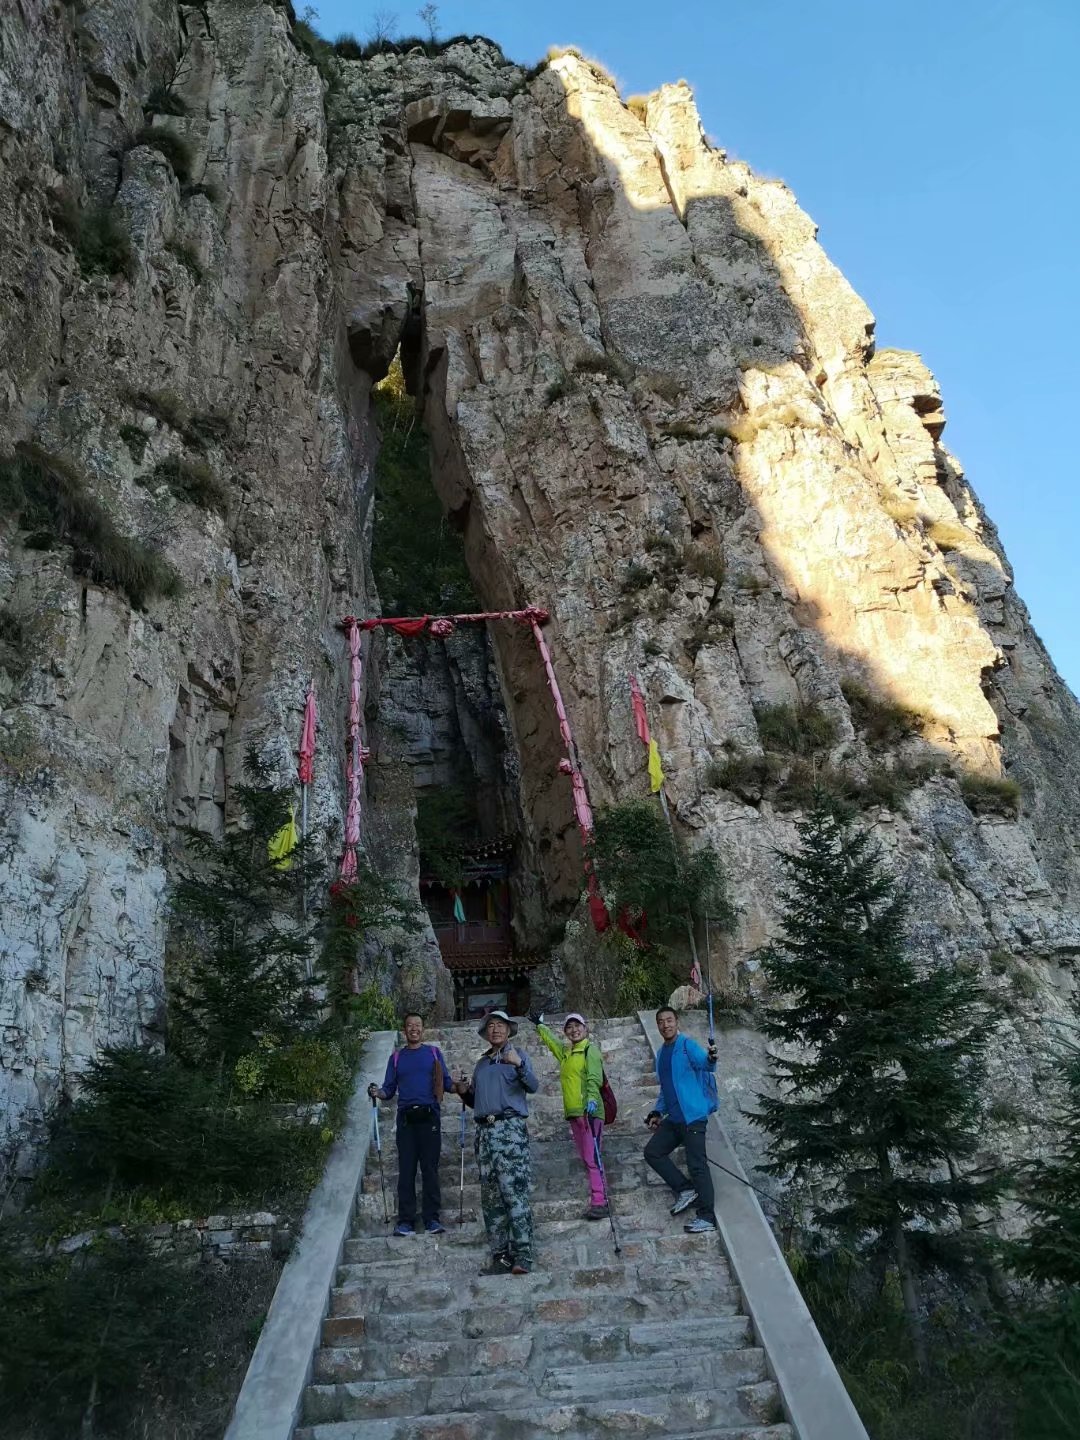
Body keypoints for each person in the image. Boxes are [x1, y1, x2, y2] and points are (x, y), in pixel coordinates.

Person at [455, 1009, 539, 1274]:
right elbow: (475, 1102)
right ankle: (500, 1256)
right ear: (485, 1032)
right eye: (491, 1025)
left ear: (509, 1029)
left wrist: (519, 1064)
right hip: (485, 1133)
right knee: (490, 1198)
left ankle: (523, 1254)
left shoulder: (518, 1055)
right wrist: (463, 1091)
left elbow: (534, 1086)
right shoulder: (481, 1064)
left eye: (500, 1025)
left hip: (510, 1130)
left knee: (514, 1191)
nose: (495, 1029)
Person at [368, 1012, 453, 1236]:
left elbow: (445, 1082)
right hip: (406, 1119)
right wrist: (378, 1093)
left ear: (423, 1029)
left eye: (417, 1025)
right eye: (409, 1025)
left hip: (430, 1116)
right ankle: (405, 1221)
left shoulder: (434, 1053)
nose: (414, 1028)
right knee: (406, 1170)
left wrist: (461, 1087)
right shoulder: (396, 1058)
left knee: (430, 1170)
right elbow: (389, 1088)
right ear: (404, 1030)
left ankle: (431, 1219)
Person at [644, 1005, 720, 1233]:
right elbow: (665, 1090)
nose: (665, 1025)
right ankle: (685, 1189)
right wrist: (657, 1113)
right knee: (652, 1152)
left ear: (677, 1022)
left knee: (697, 1165)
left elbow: (705, 1064)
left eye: (669, 1020)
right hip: (674, 1119)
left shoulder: (687, 1045)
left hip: (693, 1117)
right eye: (661, 1021)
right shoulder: (661, 1055)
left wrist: (711, 1056)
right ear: (657, 1025)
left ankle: (707, 1217)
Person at [530, 1009, 607, 1219]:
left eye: (577, 1026)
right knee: (586, 1157)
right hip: (574, 1114)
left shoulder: (590, 1049)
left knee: (593, 1157)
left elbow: (594, 1077)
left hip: (590, 1112)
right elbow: (553, 1043)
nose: (574, 1030)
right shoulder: (567, 1053)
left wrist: (591, 1098)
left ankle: (600, 1201)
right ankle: (599, 1197)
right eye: (569, 1027)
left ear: (585, 1028)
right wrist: (540, 1026)